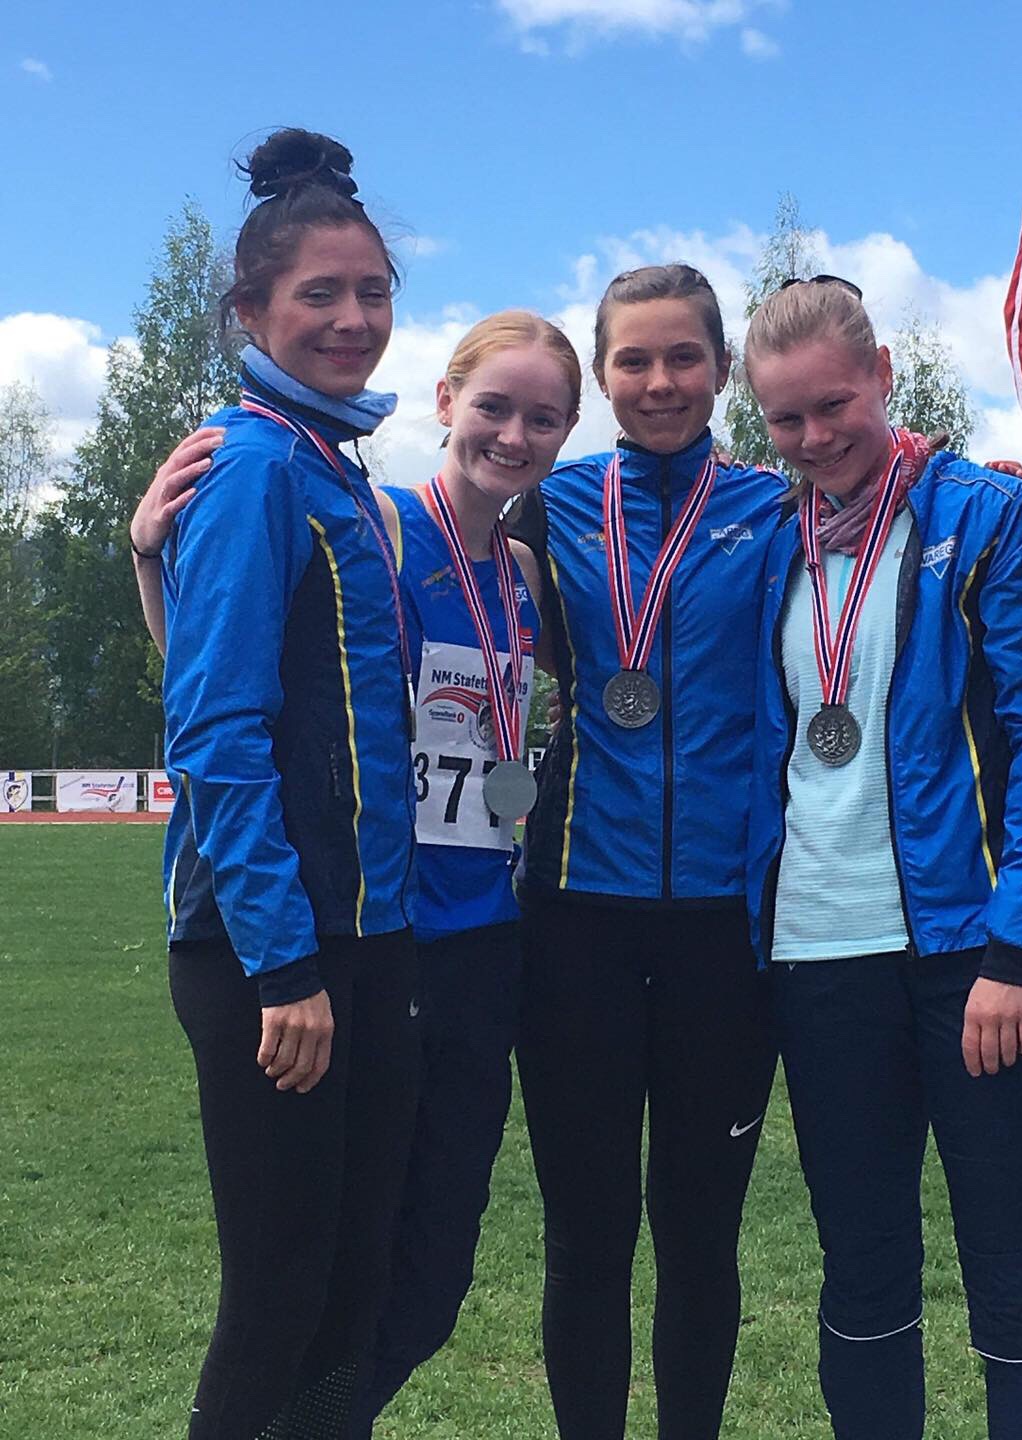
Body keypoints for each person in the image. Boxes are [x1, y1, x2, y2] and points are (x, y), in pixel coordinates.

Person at [135, 311, 583, 1434]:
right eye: (493, 407)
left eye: (543, 418)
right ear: (444, 402)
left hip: (483, 938)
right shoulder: (372, 523)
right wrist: (151, 555)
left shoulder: (527, 573)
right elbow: (216, 666)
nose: (514, 435)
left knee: (423, 1284)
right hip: (381, 940)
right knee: (327, 1278)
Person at [741, 277, 1022, 1440]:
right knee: (863, 1280)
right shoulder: (766, 541)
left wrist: (1018, 951)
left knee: (1017, 1279)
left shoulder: (988, 516)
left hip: (975, 959)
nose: (813, 438)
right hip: (820, 957)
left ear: (883, 375)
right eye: (785, 419)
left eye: (833, 404)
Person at [135, 128, 421, 1438]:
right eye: (320, 293)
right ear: (249, 311)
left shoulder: (333, 469)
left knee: (351, 1292)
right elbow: (216, 730)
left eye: (373, 291)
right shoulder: (253, 463)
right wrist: (284, 965)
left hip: (362, 937)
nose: (353, 318)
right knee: (281, 1295)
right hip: (274, 954)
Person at [505, 263, 786, 1440]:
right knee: (585, 1237)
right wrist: (153, 552)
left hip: (728, 929)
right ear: (601, 377)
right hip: (574, 922)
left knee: (700, 1236)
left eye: (683, 357)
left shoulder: (779, 509)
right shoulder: (544, 508)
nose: (660, 381)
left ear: (724, 369)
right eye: (634, 359)